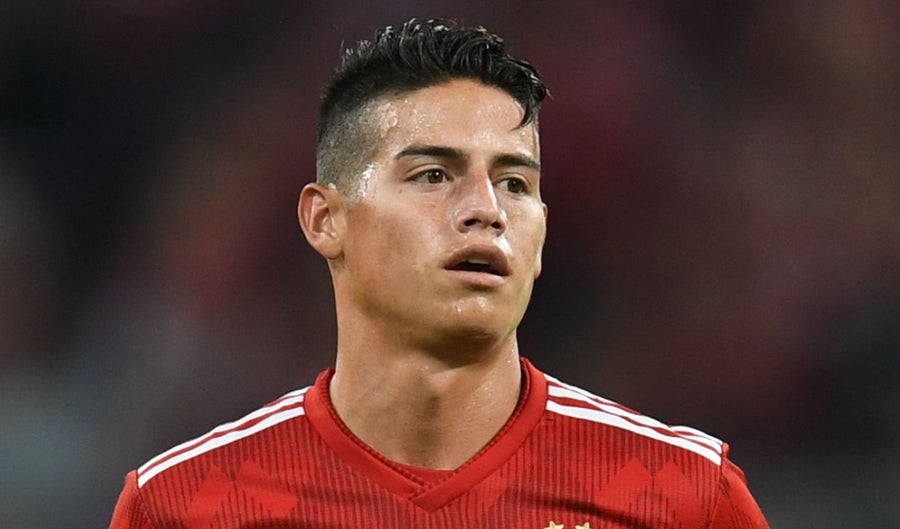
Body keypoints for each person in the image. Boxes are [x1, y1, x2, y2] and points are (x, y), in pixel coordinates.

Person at [108, 18, 769, 529]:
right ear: (325, 220)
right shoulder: (185, 507)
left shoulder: (683, 497)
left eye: (515, 183)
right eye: (433, 175)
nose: (486, 210)